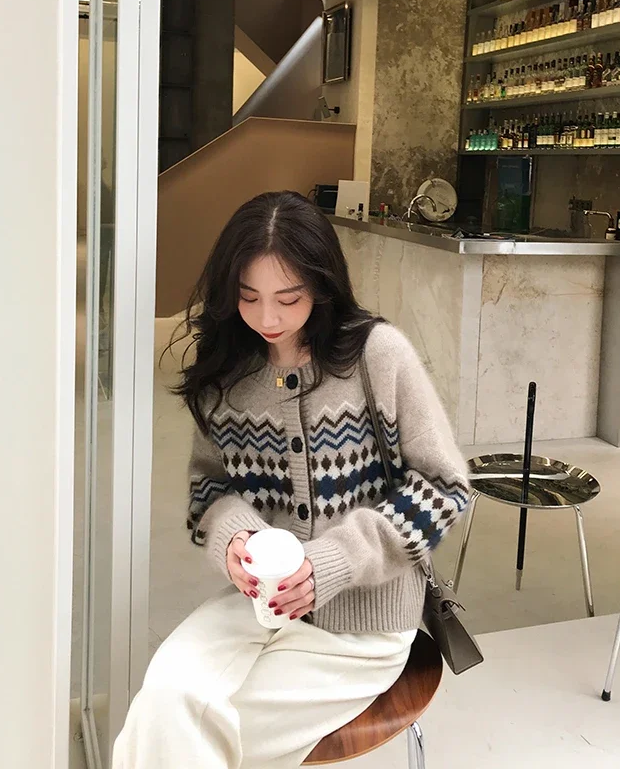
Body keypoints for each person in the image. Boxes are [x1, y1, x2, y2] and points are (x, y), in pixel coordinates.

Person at [112, 190, 470, 768]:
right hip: (262, 607)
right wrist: (235, 538)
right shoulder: (228, 373)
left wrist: (331, 563)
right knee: (163, 703)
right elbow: (210, 489)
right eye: (248, 297)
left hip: (362, 624)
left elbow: (445, 485)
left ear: (322, 287)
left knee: (193, 736)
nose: (268, 318)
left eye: (288, 298)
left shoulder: (377, 356)